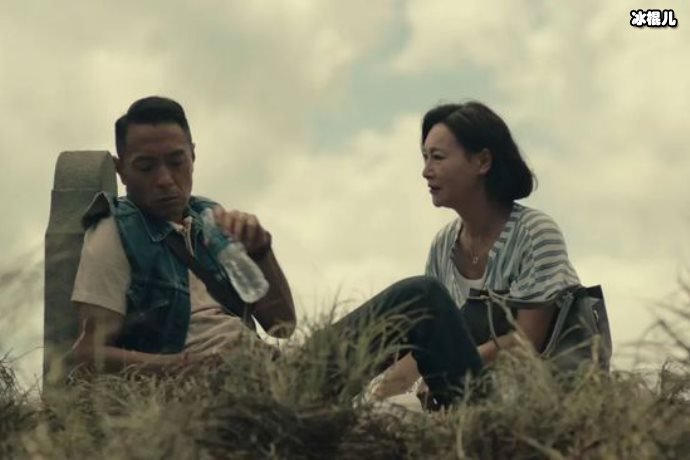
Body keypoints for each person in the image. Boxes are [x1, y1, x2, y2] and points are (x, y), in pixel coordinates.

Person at [70, 96, 483, 408]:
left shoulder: (210, 218)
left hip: (276, 375)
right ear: (122, 170)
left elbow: (282, 326)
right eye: (146, 167)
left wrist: (262, 252)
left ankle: (479, 424)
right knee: (424, 296)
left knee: (421, 299)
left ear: (193, 155)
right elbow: (87, 357)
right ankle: (488, 427)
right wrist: (182, 367)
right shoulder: (113, 234)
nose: (164, 179)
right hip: (212, 397)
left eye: (176, 162)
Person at [373, 101, 582, 401]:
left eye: (437, 157)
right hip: (462, 394)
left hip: (527, 398)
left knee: (421, 292)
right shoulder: (443, 244)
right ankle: (319, 379)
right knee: (385, 405)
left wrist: (447, 369)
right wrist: (382, 394)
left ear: (483, 162)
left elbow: (527, 342)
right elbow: (425, 346)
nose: (426, 171)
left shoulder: (535, 233)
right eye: (425, 157)